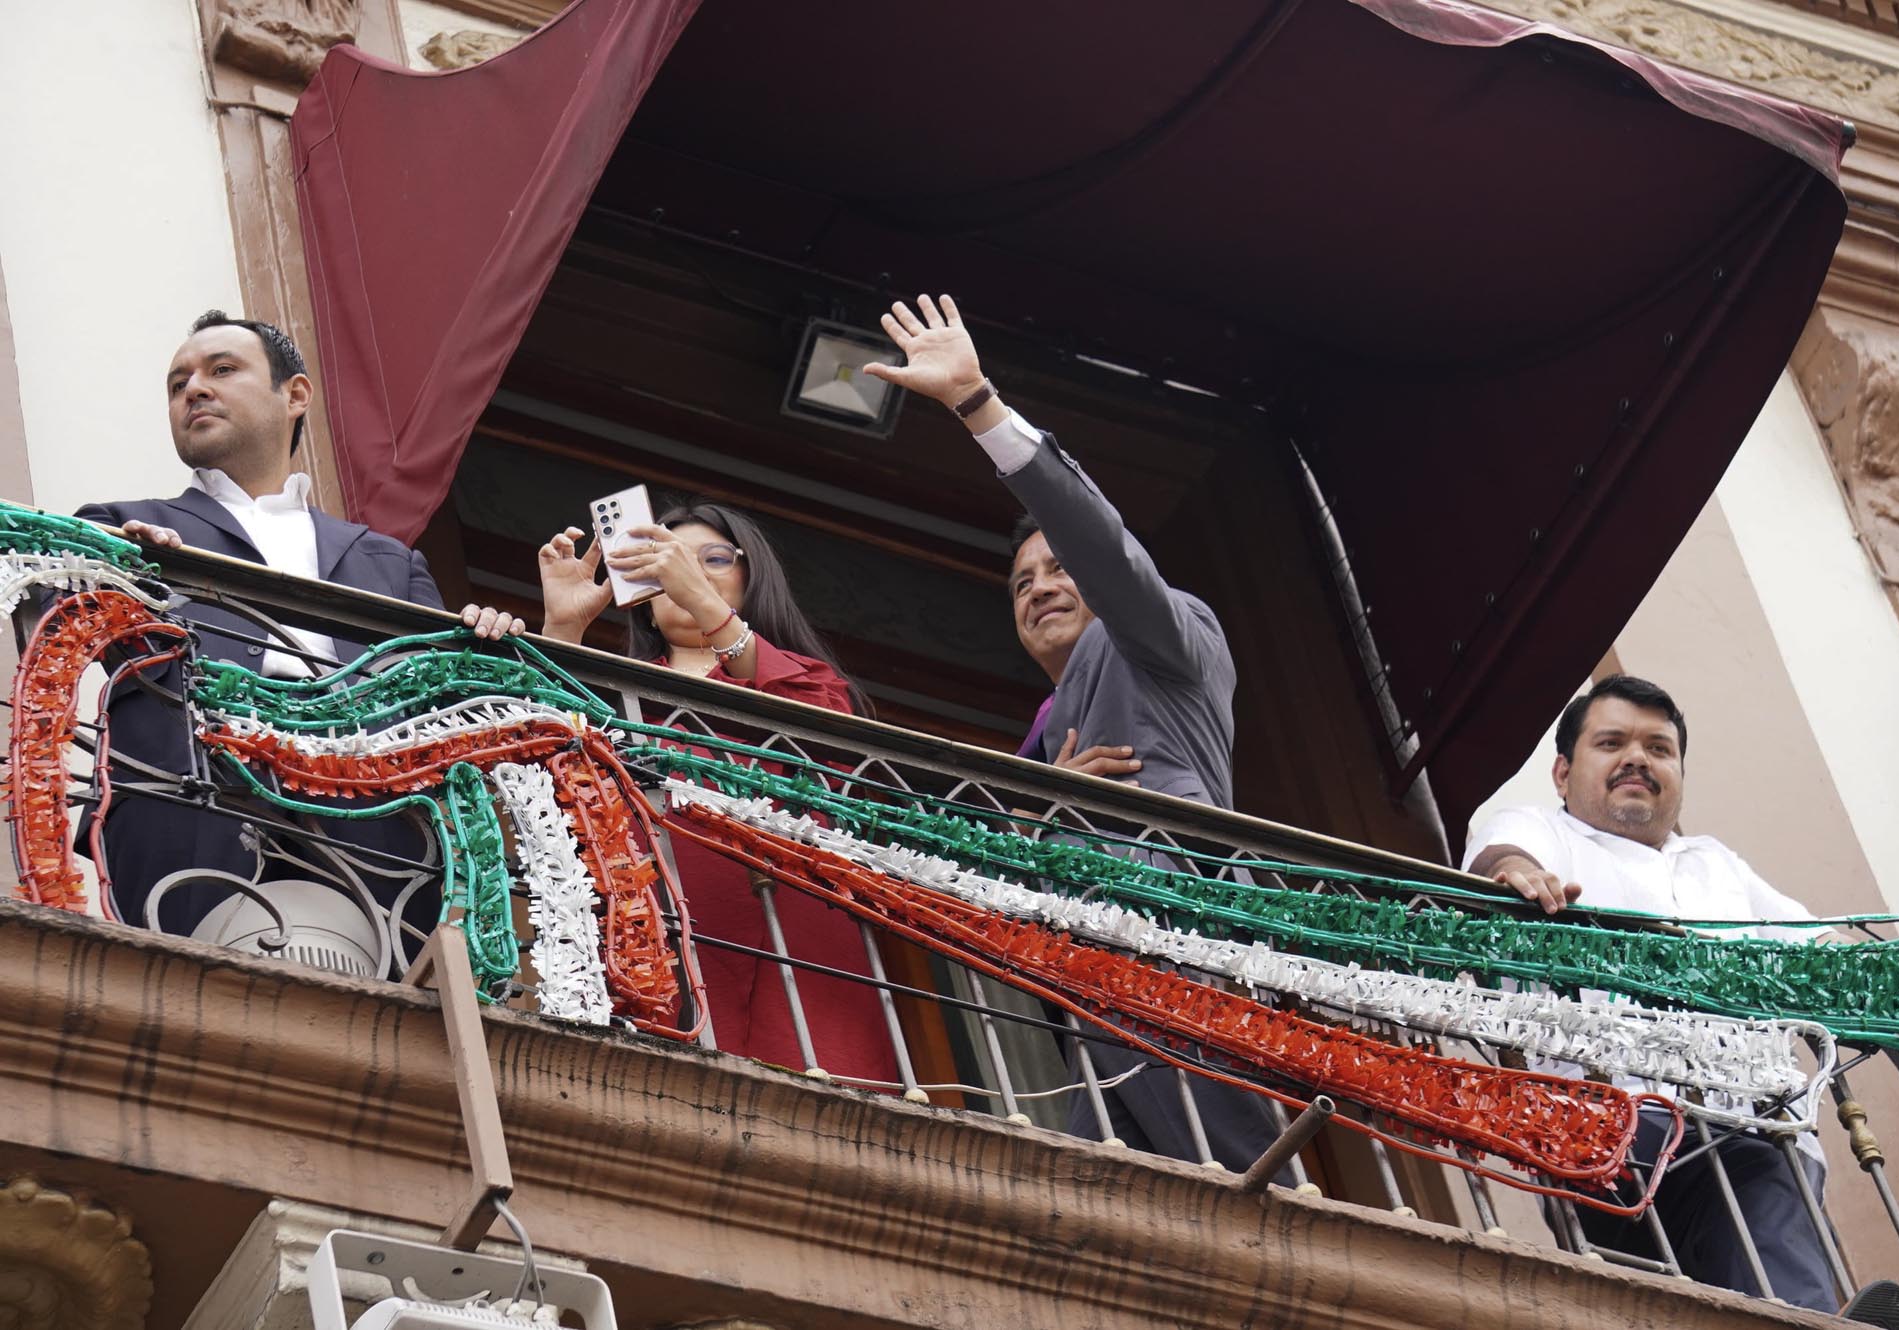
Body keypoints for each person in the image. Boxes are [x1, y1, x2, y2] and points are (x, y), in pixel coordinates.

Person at [864, 293, 1282, 1171]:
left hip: (1181, 938)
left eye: (1058, 568)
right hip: (1078, 992)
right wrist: (1039, 821)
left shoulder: (1168, 641)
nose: (1041, 588)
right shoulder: (1044, 738)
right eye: (1021, 584)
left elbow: (1109, 550)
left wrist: (981, 407)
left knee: (1251, 1182)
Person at [1464, 675, 1899, 1326]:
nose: (1637, 759)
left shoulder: (1716, 863)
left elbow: (1826, 951)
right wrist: (1516, 876)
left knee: (1765, 1209)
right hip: (1602, 1124)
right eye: (1611, 742)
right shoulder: (1537, 826)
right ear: (1563, 773)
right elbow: (1500, 860)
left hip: (1746, 1122)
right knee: (1742, 1244)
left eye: (1659, 748)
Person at [76, 310, 522, 938]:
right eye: (177, 384)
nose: (194, 389)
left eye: (222, 370)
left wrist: (514, 635)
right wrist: (116, 569)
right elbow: (49, 610)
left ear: (296, 394)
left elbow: (460, 707)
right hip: (193, 800)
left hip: (377, 825)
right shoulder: (122, 524)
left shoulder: (390, 560)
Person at [535, 497, 896, 1084]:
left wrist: (704, 602)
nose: (688, 570)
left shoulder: (803, 679)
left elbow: (827, 741)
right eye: (667, 560)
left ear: (753, 581)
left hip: (793, 955)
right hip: (653, 948)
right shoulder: (612, 699)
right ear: (642, 594)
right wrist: (563, 630)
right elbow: (544, 773)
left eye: (713, 559)